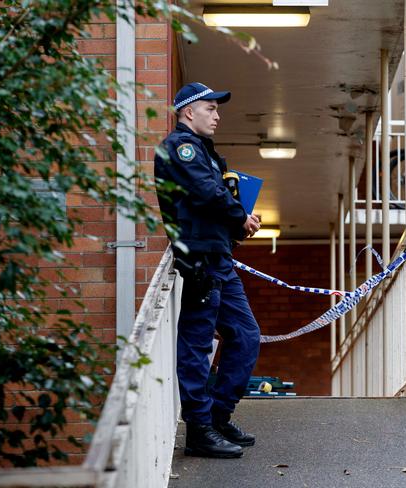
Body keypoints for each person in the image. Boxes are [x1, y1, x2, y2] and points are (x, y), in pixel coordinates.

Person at [154, 82, 262, 459]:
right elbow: (205, 193)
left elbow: (218, 199)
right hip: (199, 258)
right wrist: (239, 216)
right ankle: (199, 429)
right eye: (210, 109)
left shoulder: (204, 151)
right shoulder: (179, 148)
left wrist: (240, 221)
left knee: (247, 335)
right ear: (188, 112)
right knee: (197, 344)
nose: (217, 116)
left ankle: (217, 416)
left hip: (219, 257)